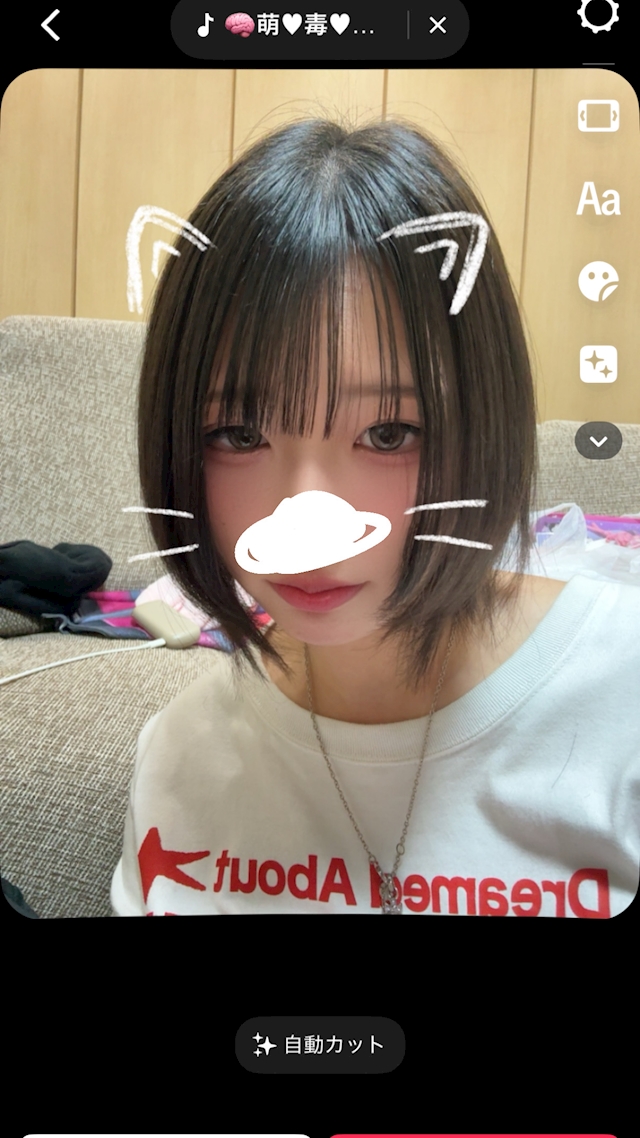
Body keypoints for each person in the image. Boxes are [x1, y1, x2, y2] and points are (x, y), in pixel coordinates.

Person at [111, 118, 640, 916]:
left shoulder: (622, 696)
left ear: (485, 421)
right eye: (240, 435)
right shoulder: (182, 759)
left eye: (388, 434)